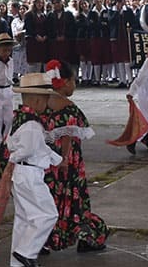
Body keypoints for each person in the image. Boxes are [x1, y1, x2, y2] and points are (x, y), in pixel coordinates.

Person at [42, 60, 109, 253]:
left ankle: (42, 239)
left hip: (46, 161)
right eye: (73, 80)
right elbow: (67, 137)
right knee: (73, 198)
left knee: (49, 197)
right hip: (68, 161)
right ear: (64, 82)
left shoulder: (43, 104)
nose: (75, 85)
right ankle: (85, 236)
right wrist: (64, 158)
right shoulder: (69, 108)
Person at [4, 72, 63, 267]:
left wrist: (56, 159)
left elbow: (35, 147)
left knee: (24, 217)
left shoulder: (20, 118)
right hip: (30, 174)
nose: (47, 104)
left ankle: (17, 262)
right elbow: (28, 150)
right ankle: (26, 252)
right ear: (37, 100)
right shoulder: (32, 125)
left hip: (22, 173)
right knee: (47, 214)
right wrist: (14, 158)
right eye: (46, 99)